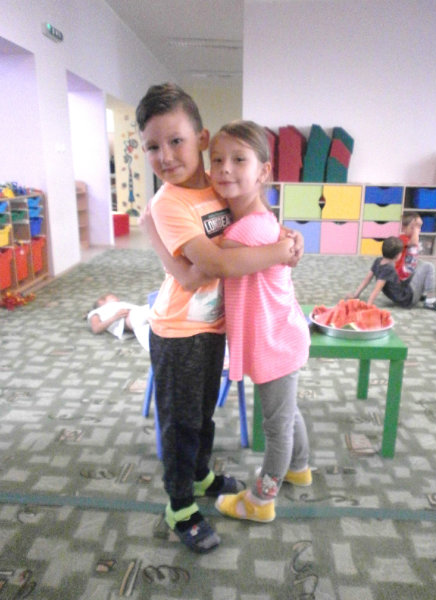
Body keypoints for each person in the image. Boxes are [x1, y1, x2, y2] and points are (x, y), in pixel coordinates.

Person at [136, 83, 299, 553]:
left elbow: (252, 207)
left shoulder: (214, 182)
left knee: (204, 413)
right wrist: (279, 252)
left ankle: (201, 475)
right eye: (153, 147)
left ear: (202, 140)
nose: (166, 156)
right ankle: (179, 505)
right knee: (180, 423)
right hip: (179, 331)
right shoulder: (169, 202)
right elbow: (214, 267)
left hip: (213, 327)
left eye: (176, 141)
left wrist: (286, 234)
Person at [203, 120, 312, 524]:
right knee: (287, 412)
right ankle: (299, 467)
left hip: (275, 342)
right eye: (217, 160)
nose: (224, 169)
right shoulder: (264, 220)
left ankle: (261, 500)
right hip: (282, 334)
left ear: (263, 171)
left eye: (238, 160)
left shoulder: (245, 230)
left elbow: (217, 261)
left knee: (277, 425)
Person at [348, 236, 422, 308]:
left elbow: (366, 280)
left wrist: (355, 295)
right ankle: (428, 299)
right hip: (406, 298)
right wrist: (368, 305)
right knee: (426, 266)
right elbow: (377, 289)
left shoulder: (378, 261)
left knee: (416, 270)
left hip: (402, 292)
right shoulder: (388, 269)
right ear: (397, 255)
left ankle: (423, 296)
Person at [395, 212, 436, 311]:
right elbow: (414, 242)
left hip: (408, 278)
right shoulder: (402, 238)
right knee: (428, 266)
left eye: (419, 227)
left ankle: (424, 294)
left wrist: (415, 226)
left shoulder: (410, 238)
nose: (417, 230)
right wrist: (416, 230)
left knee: (422, 265)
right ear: (403, 228)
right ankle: (430, 301)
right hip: (403, 282)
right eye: (413, 227)